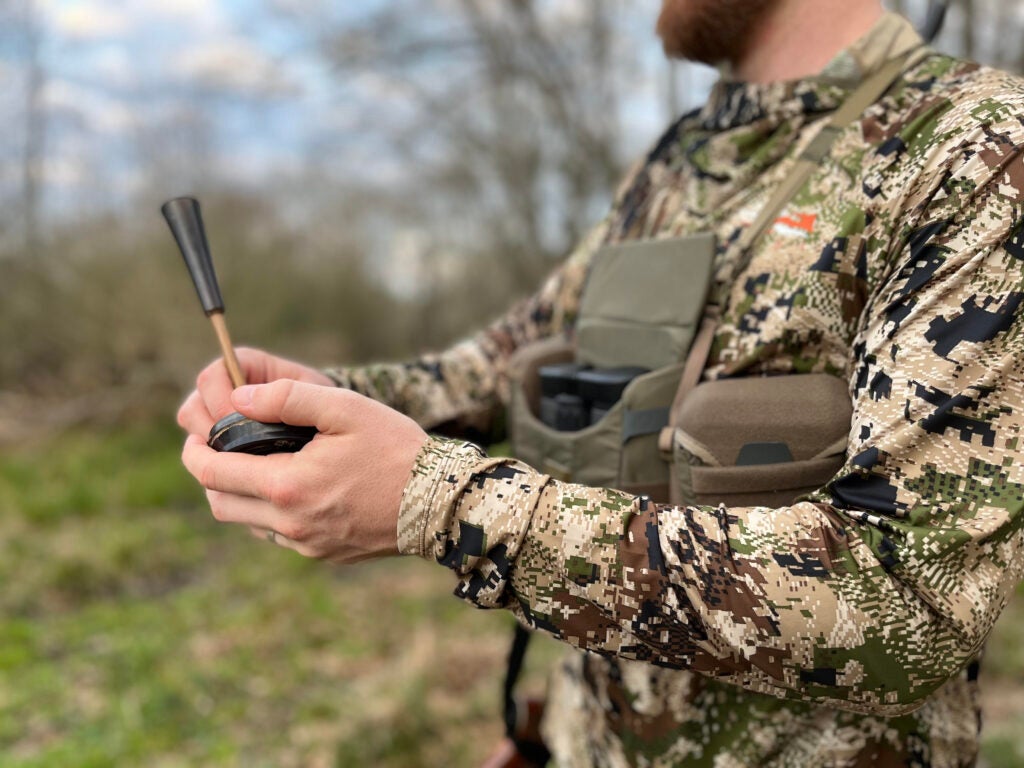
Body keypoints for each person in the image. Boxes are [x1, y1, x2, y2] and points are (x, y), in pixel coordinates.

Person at [177, 0, 1024, 765]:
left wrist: (443, 505)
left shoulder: (975, 150)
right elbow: (508, 366)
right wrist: (314, 399)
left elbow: (908, 598)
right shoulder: (680, 159)